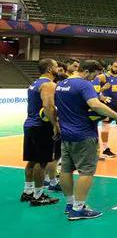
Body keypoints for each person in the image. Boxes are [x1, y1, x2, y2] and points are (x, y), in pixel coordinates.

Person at [55, 60, 117, 220]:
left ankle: (70, 204)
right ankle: (78, 209)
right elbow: (95, 104)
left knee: (66, 170)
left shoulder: (61, 84)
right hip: (84, 134)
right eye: (95, 75)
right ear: (88, 72)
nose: (96, 78)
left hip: (66, 135)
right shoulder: (84, 84)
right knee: (86, 171)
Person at [21, 58, 60, 206]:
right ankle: (38, 196)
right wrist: (56, 125)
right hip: (41, 126)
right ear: (50, 69)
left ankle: (28, 191)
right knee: (41, 162)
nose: (58, 68)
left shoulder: (34, 83)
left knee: (32, 160)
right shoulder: (49, 84)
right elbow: (48, 106)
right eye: (56, 66)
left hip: (30, 124)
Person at [43, 60, 69, 192]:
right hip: (56, 126)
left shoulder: (51, 91)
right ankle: (52, 182)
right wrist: (57, 125)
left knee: (50, 156)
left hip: (49, 125)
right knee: (55, 156)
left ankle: (47, 180)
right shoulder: (56, 93)